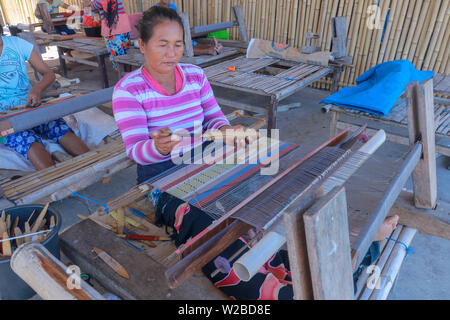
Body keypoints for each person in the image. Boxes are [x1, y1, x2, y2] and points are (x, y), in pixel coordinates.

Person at [0, 25, 89, 170]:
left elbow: (48, 73)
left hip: (32, 105)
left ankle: (97, 167)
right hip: (5, 118)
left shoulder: (16, 43)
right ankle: (58, 184)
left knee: (60, 130)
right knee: (30, 144)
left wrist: (36, 89)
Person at [155, 0, 224, 56]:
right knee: (181, 47)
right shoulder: (155, 9)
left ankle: (213, 47)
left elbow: (176, 21)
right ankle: (209, 50)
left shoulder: (173, 7)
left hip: (176, 33)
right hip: (166, 36)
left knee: (192, 43)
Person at [87, 0, 131, 71]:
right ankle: (128, 76)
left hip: (113, 30)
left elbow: (91, 6)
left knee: (117, 58)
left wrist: (88, 2)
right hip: (124, 27)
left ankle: (122, 78)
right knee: (126, 55)